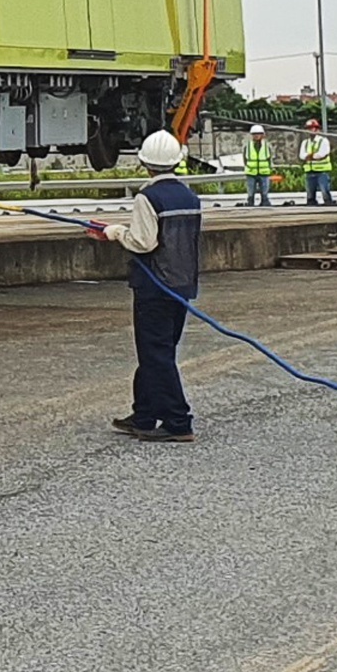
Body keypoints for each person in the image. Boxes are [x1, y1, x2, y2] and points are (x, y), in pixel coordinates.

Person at [96, 130, 202, 442]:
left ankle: (178, 421)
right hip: (181, 285)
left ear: (145, 163)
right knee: (158, 351)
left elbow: (143, 243)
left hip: (154, 286)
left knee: (156, 354)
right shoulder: (189, 197)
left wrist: (115, 232)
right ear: (177, 161)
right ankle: (144, 415)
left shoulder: (148, 197)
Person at [298, 119, 335, 207]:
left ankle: (328, 206)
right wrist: (312, 156)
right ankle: (312, 206)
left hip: (322, 171)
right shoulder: (305, 142)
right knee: (310, 194)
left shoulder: (323, 141)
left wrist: (309, 157)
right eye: (309, 128)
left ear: (317, 129)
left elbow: (322, 154)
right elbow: (301, 156)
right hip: (309, 171)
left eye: (312, 128)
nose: (310, 130)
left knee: (325, 192)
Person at [242, 124, 274, 207]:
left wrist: (269, 168)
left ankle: (264, 200)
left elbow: (270, 158)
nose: (256, 136)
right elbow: (245, 158)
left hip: (264, 172)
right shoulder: (247, 146)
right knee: (250, 190)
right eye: (254, 134)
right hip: (251, 172)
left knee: (264, 190)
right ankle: (250, 201)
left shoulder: (267, 146)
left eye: (258, 134)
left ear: (262, 135)